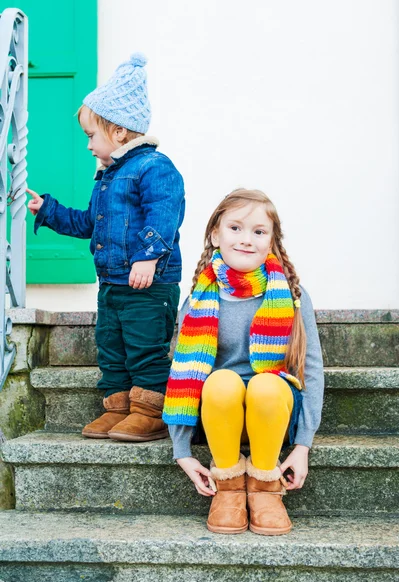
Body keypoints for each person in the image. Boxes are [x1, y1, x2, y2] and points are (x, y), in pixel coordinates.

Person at [27, 53, 185, 442]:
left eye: (90, 136)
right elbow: (89, 223)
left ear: (117, 132)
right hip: (112, 284)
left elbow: (165, 212)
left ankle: (150, 411)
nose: (87, 146)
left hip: (150, 284)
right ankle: (118, 407)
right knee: (111, 348)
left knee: (145, 347)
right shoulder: (107, 177)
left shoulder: (153, 167)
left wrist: (148, 255)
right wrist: (49, 210)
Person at [162, 188, 324, 536]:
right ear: (215, 234)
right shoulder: (198, 299)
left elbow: (311, 369)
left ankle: (266, 488)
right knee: (220, 381)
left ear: (271, 241)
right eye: (235, 228)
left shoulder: (293, 296)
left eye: (258, 231)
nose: (246, 239)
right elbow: (183, 374)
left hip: (274, 411)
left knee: (267, 383)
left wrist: (303, 445)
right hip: (221, 416)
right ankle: (230, 485)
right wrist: (182, 450)